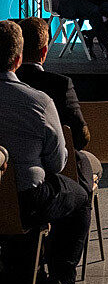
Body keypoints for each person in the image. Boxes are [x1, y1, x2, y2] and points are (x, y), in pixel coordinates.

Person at [0, 20, 90, 284]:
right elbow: (57, 163)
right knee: (78, 198)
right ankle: (60, 283)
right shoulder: (38, 101)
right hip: (25, 201)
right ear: (17, 59)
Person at [15, 17, 103, 196]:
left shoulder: (8, 86)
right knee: (91, 167)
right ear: (45, 51)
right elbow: (79, 135)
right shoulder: (61, 85)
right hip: (58, 167)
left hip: (12, 173)